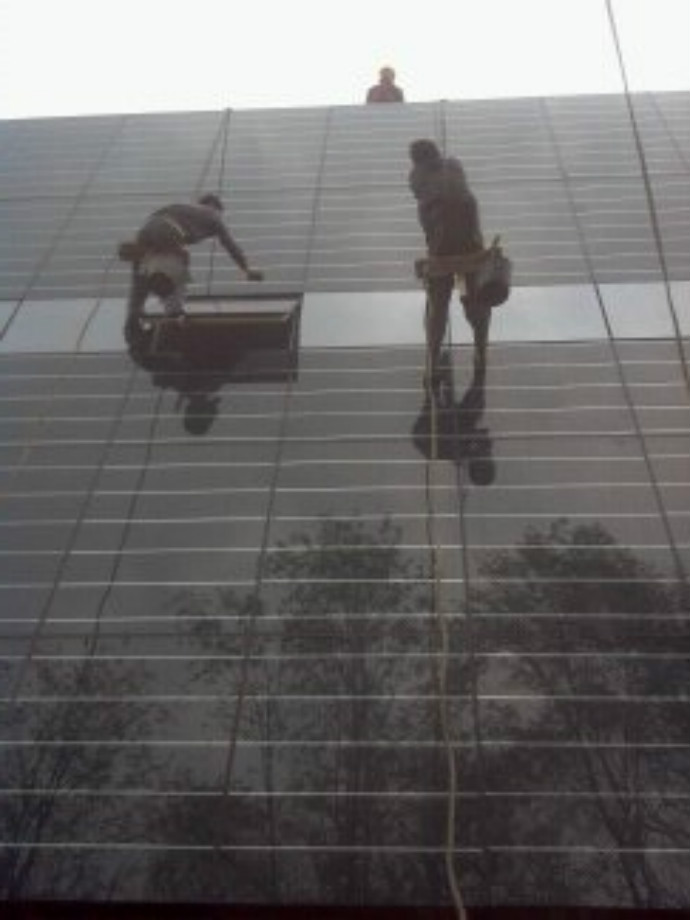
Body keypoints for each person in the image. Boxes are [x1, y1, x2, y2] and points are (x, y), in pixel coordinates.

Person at [123, 193, 263, 336]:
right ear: (215, 207)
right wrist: (247, 269)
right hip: (168, 229)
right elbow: (230, 246)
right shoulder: (212, 214)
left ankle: (132, 317)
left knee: (140, 274)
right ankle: (174, 310)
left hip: (146, 229)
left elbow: (156, 221)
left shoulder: (184, 208)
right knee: (180, 261)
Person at [408, 139, 489, 381]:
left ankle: (433, 359)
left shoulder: (419, 174)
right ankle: (480, 349)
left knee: (439, 307)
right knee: (472, 303)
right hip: (470, 253)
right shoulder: (454, 165)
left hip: (443, 258)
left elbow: (421, 197)